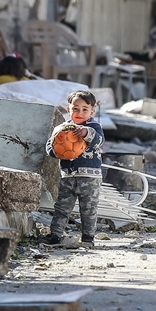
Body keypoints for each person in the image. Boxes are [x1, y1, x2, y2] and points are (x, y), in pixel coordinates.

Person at [43, 90, 104, 248]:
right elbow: (50, 148)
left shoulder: (93, 126)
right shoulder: (62, 128)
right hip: (68, 177)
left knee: (88, 210)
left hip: (90, 179)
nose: (80, 113)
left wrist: (86, 133)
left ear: (92, 112)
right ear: (68, 110)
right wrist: (57, 146)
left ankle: (88, 239)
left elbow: (98, 141)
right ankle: (55, 235)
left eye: (85, 109)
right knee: (62, 208)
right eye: (75, 109)